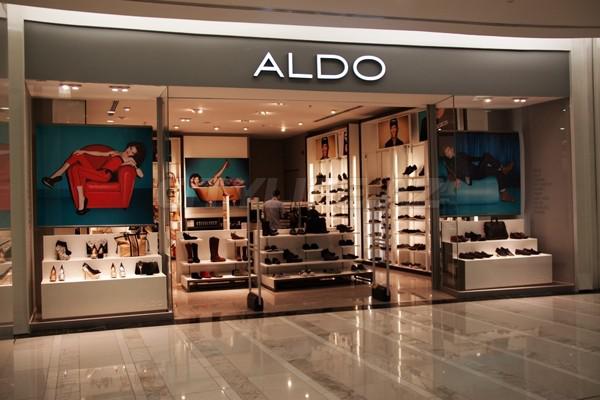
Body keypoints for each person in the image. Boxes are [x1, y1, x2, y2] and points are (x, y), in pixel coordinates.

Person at [41, 142, 146, 215]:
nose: (129, 152)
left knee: (77, 169)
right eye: (130, 148)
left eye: (132, 152)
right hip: (98, 172)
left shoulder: (130, 160)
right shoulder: (116, 152)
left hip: (105, 176)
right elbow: (99, 153)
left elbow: (141, 175)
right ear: (128, 146)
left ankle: (81, 201)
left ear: (134, 155)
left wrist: (135, 166)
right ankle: (54, 177)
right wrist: (84, 152)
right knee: (77, 155)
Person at [441, 145, 515, 202]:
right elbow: (450, 175)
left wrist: (483, 160)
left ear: (452, 149)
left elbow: (472, 158)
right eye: (446, 153)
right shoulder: (450, 164)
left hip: (478, 169)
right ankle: (503, 169)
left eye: (448, 151)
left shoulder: (461, 154)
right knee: (487, 157)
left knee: (496, 169)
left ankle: (503, 194)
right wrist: (457, 179)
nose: (447, 154)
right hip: (474, 174)